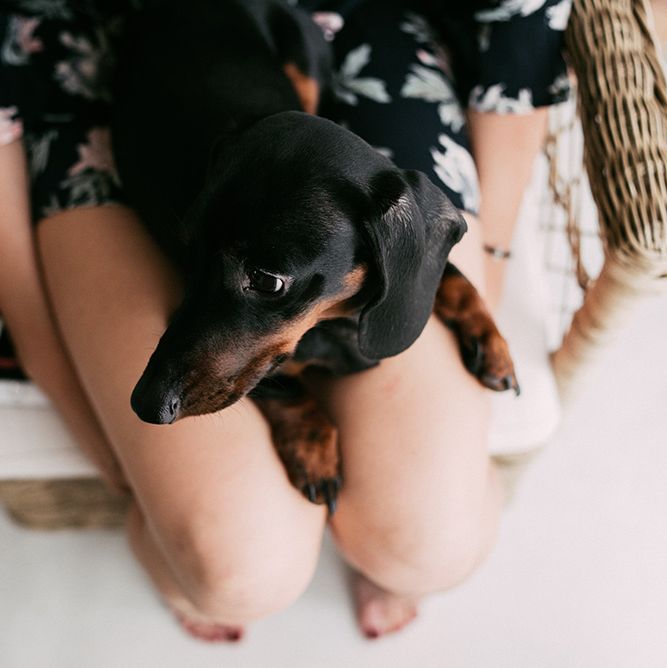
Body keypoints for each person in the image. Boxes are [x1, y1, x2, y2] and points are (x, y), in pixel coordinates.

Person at [0, 0, 569, 641]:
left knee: (428, 543)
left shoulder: (374, 196)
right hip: (93, 54)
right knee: (237, 572)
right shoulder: (226, 172)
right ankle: (171, 549)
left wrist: (477, 270)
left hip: (360, 26)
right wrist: (50, 354)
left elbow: (523, 33)